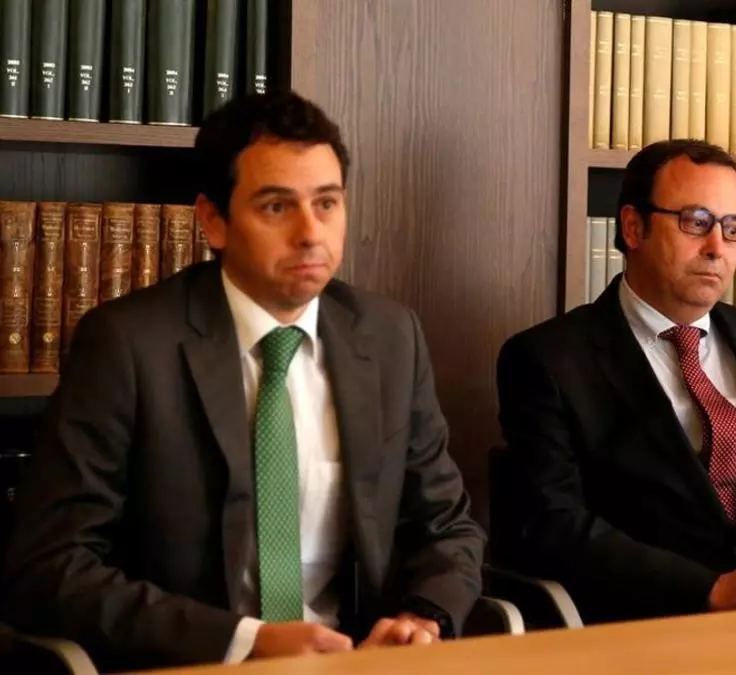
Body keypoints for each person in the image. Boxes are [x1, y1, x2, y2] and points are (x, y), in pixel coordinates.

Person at [1, 91, 486, 672]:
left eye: (327, 203)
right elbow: (51, 565)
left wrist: (423, 617)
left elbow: (446, 525)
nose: (311, 233)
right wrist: (244, 641)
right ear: (213, 221)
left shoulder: (389, 338)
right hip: (195, 663)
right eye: (277, 207)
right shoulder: (128, 345)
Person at [495, 139, 736, 624]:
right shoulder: (549, 359)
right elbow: (554, 524)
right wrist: (714, 589)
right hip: (650, 614)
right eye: (696, 223)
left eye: (733, 228)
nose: (716, 248)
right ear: (633, 227)